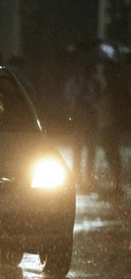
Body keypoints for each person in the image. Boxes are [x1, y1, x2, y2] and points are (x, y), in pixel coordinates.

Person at [63, 61, 98, 191]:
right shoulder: (74, 83)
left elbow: (96, 101)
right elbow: (69, 100)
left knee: (90, 149)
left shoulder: (93, 83)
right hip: (79, 119)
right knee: (77, 149)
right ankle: (78, 176)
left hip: (89, 119)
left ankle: (89, 176)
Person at [94, 60, 126, 199]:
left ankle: (118, 185)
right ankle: (117, 185)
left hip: (110, 124)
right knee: (111, 155)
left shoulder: (114, 86)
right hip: (106, 124)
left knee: (113, 155)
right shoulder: (108, 85)